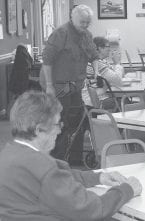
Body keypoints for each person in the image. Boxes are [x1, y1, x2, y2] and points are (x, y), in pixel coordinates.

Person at [0, 90, 142, 221]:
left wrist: (98, 177)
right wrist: (127, 190)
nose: (60, 131)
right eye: (56, 124)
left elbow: (57, 175)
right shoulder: (43, 168)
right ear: (38, 130)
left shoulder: (9, 154)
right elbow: (91, 209)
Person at [40, 4, 100, 164]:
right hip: (58, 87)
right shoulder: (61, 33)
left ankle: (75, 160)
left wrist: (96, 71)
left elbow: (94, 55)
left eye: (88, 22)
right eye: (82, 22)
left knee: (78, 123)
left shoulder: (87, 35)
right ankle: (56, 163)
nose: (85, 25)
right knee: (60, 125)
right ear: (72, 19)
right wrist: (49, 86)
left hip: (75, 87)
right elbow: (47, 60)